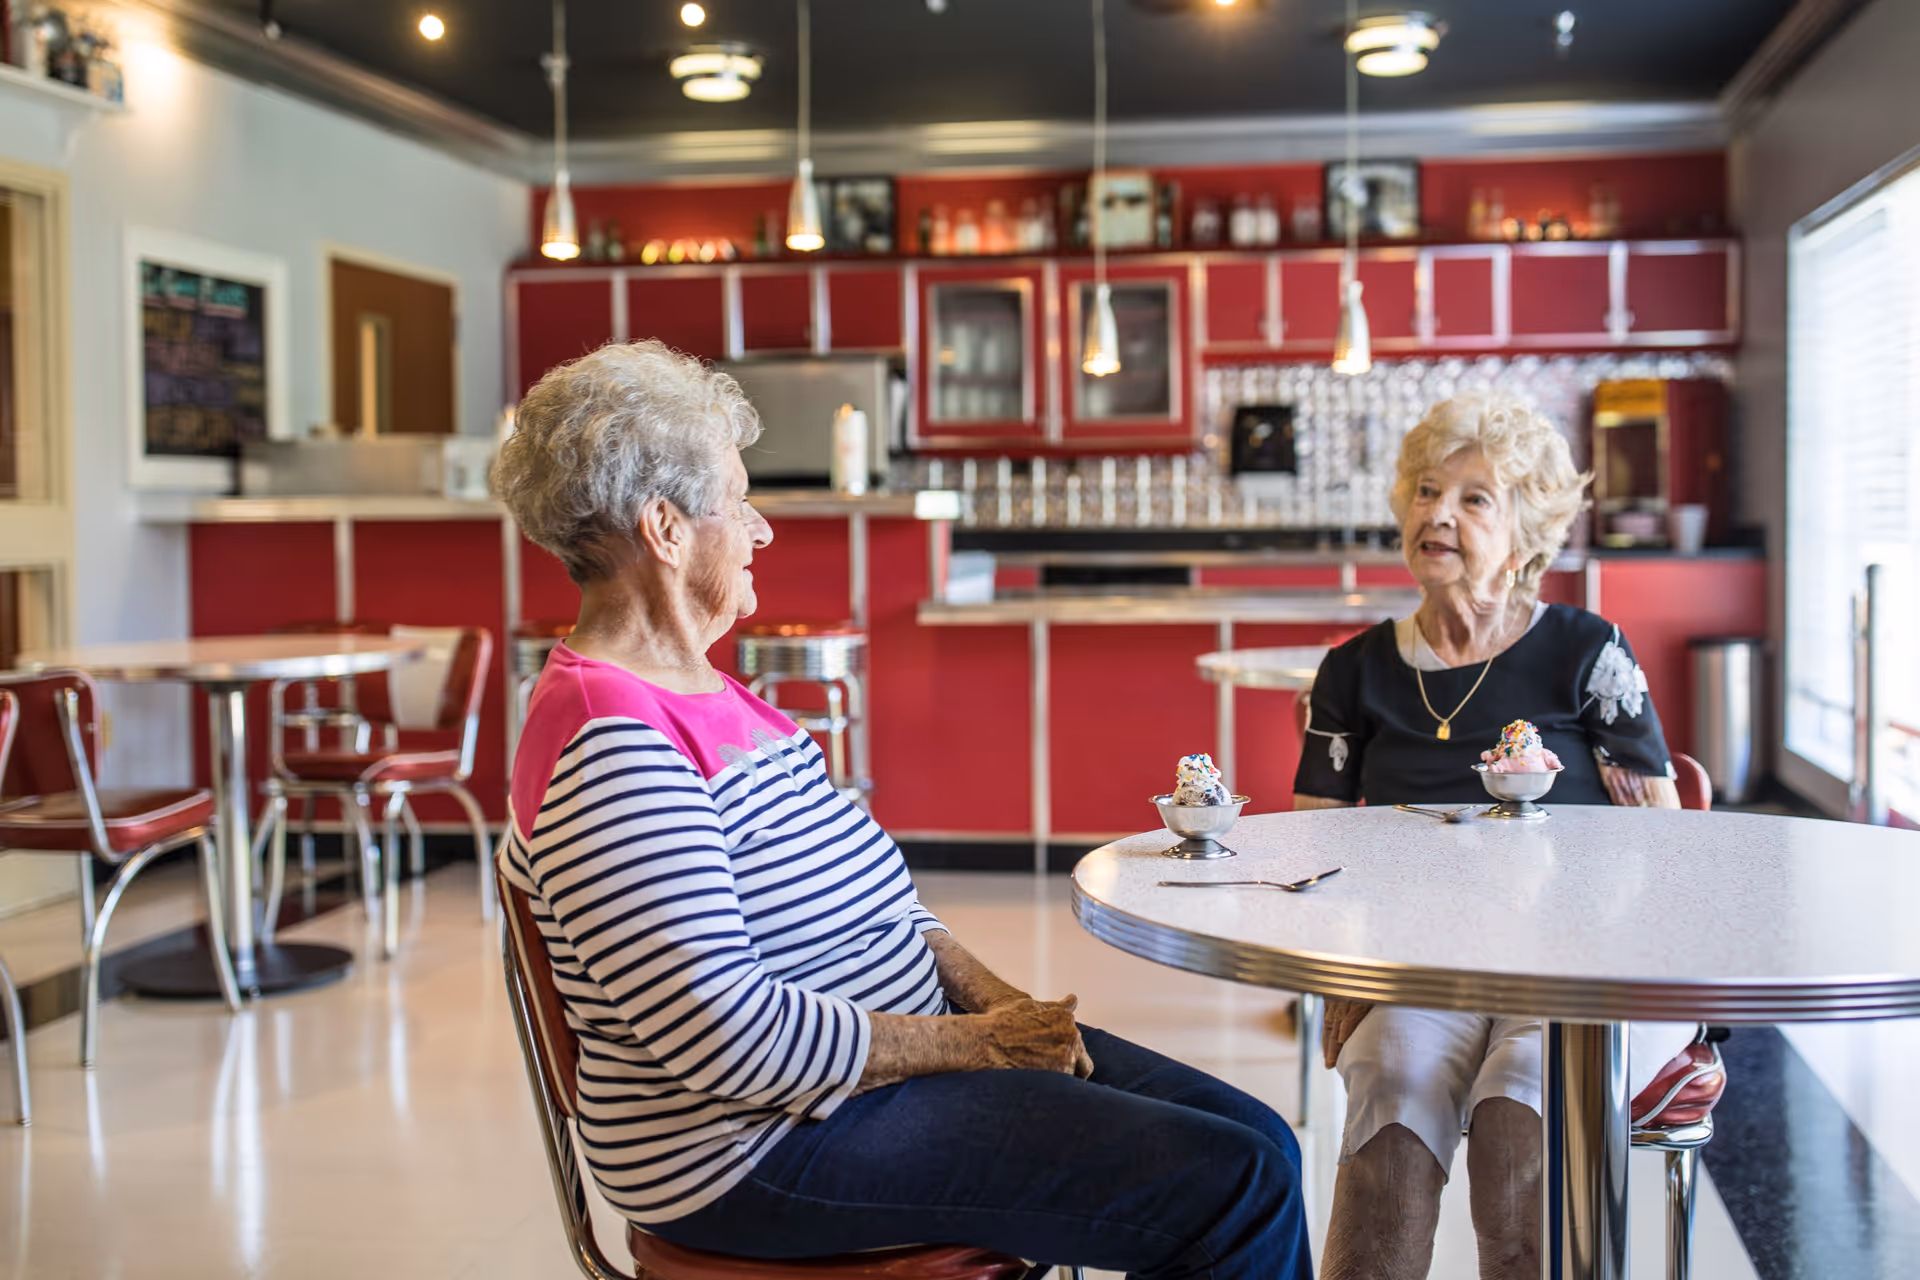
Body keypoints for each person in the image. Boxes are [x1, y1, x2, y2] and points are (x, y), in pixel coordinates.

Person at [492, 340, 1312, 1280]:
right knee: (1233, 1181)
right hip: (756, 1149)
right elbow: (728, 1040)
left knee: (1257, 1139)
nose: (761, 530)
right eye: (739, 500)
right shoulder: (612, 739)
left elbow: (885, 912)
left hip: (858, 1085)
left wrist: (1002, 1004)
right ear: (665, 529)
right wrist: (977, 1045)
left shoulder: (712, 694)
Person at [1293, 392, 1696, 1280]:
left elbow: (1665, 851)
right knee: (1391, 1107)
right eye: (1427, 491)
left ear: (1525, 535)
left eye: (1475, 499)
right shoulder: (1353, 671)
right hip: (1422, 958)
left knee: (1524, 1117)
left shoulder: (1588, 652)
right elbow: (1313, 854)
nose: (1438, 513)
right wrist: (1339, 981)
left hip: (1576, 960)